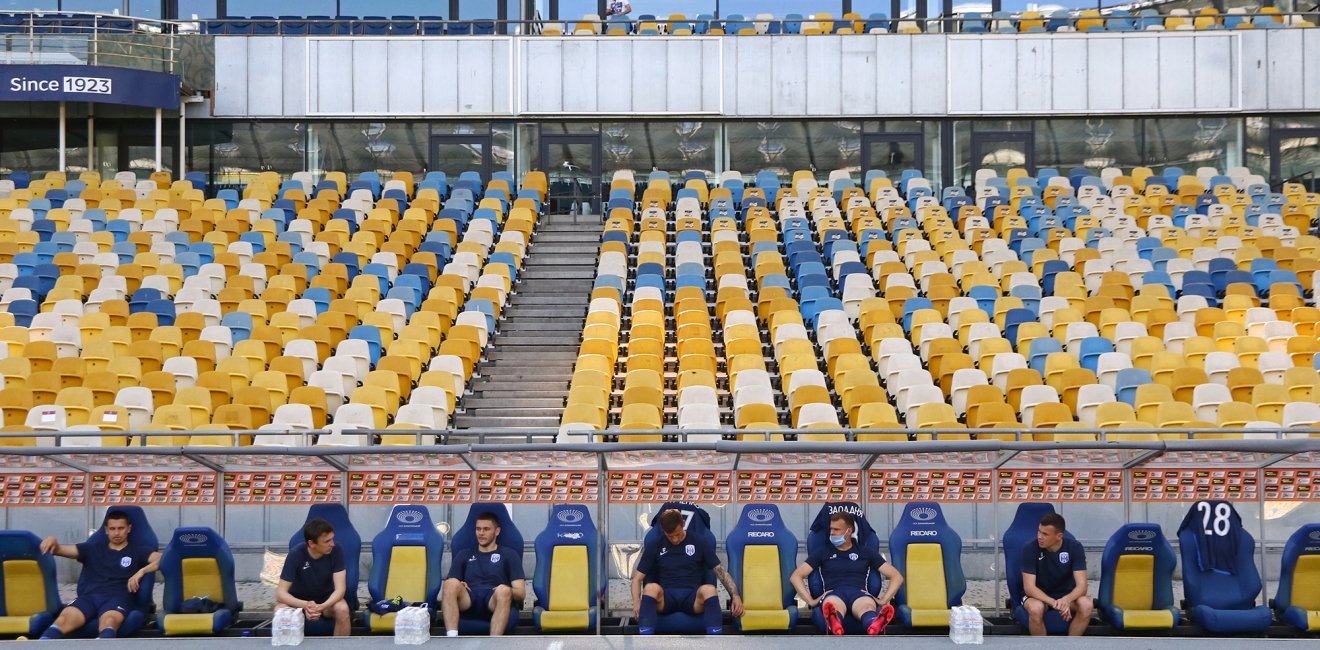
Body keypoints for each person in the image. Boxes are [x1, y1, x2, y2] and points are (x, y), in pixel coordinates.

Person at [37, 511, 160, 640]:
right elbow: (57, 549)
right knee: (62, 620)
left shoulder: (138, 551)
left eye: (121, 528)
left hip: (118, 598)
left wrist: (142, 572)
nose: (116, 533)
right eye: (112, 529)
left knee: (109, 621)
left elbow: (164, 559)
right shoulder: (92, 549)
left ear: (129, 529)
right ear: (106, 530)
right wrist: (52, 540)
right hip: (89, 598)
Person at [631, 509, 745, 636]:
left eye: (677, 534)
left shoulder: (699, 541)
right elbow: (637, 579)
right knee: (650, 588)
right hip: (666, 598)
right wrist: (636, 602)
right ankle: (645, 642)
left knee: (710, 589)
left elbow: (720, 572)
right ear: (663, 531)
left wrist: (735, 596)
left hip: (693, 598)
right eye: (670, 536)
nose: (674, 540)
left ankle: (715, 642)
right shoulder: (655, 543)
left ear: (683, 524)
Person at [790, 511, 901, 635]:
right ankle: (834, 620)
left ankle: (874, 624)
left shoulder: (865, 552)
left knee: (867, 607)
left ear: (848, 531)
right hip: (834, 592)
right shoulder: (823, 552)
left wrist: (884, 600)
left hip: (859, 593)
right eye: (831, 528)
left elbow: (896, 576)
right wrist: (811, 601)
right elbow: (796, 576)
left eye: (836, 529)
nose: (831, 532)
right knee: (834, 606)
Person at [442, 513, 525, 637]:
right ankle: (451, 640)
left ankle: (493, 643)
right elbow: (450, 589)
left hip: (493, 600)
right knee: (450, 583)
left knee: (504, 591)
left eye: (486, 529)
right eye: (478, 529)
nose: (481, 533)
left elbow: (521, 593)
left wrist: (507, 589)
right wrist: (458, 583)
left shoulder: (509, 555)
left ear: (497, 531)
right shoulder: (464, 554)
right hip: (468, 599)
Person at [1021, 512, 1093, 636]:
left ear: (1059, 536)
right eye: (1039, 531)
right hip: (1038, 596)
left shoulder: (1075, 547)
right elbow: (1029, 588)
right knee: (1035, 609)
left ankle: (1071, 645)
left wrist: (1066, 600)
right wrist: (1055, 603)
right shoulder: (1030, 548)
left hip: (1066, 596)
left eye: (1045, 534)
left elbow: (1082, 586)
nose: (1039, 536)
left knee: (1086, 604)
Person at [276, 518, 350, 636]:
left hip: (327, 602)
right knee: (280, 610)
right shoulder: (296, 554)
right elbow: (280, 593)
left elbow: (340, 590)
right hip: (299, 602)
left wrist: (322, 607)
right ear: (312, 544)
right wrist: (306, 605)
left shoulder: (336, 550)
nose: (332, 544)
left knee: (342, 609)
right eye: (327, 541)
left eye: (332, 539)